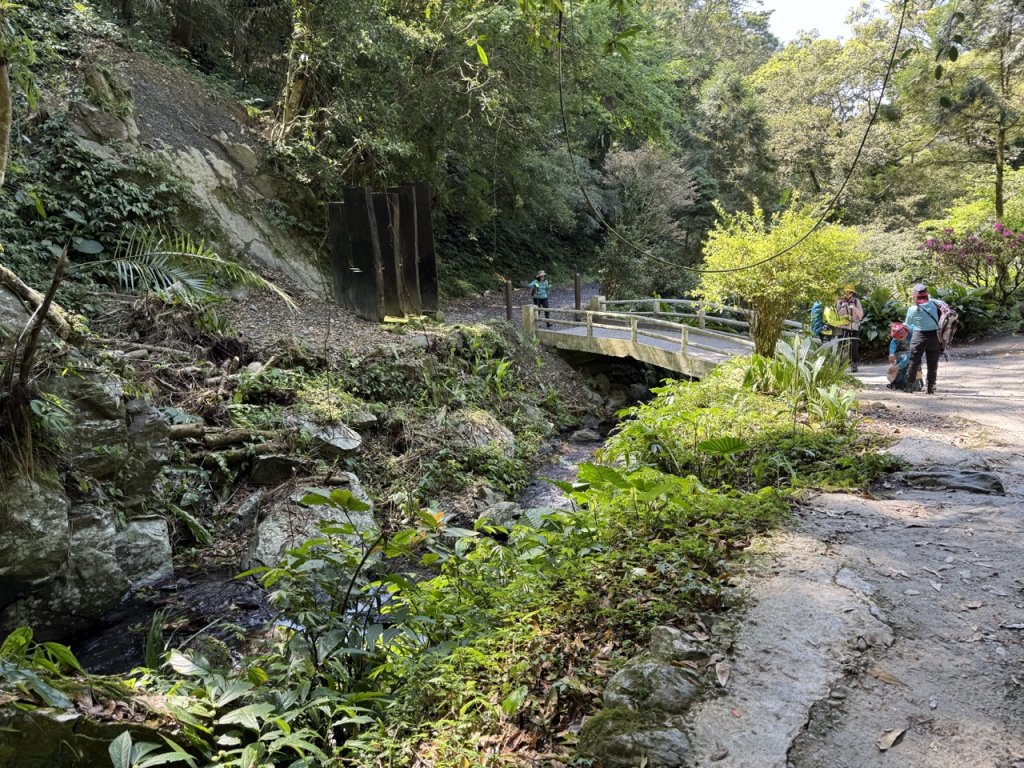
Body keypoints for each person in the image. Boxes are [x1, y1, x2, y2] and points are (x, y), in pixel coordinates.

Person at [902, 283, 949, 394]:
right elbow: (943, 304)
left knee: (914, 361)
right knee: (932, 363)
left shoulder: (912, 309)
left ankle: (909, 386)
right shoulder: (935, 305)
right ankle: (930, 387)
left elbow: (908, 325)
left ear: (915, 296)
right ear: (927, 295)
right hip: (935, 337)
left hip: (919, 337)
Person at [833, 284, 864, 372]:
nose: (846, 294)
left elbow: (861, 315)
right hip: (843, 326)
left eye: (849, 292)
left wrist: (853, 308)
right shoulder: (840, 302)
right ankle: (839, 364)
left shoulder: (856, 301)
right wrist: (843, 308)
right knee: (841, 344)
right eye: (845, 292)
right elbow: (837, 316)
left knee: (854, 345)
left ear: (852, 293)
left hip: (854, 325)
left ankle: (854, 364)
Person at [886, 321, 921, 391]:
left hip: (921, 345)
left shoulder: (914, 334)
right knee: (899, 357)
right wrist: (891, 353)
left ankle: (914, 384)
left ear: (906, 333)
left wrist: (898, 366)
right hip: (910, 348)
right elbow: (894, 341)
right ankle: (898, 383)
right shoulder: (900, 329)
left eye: (900, 338)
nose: (899, 340)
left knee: (915, 361)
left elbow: (912, 354)